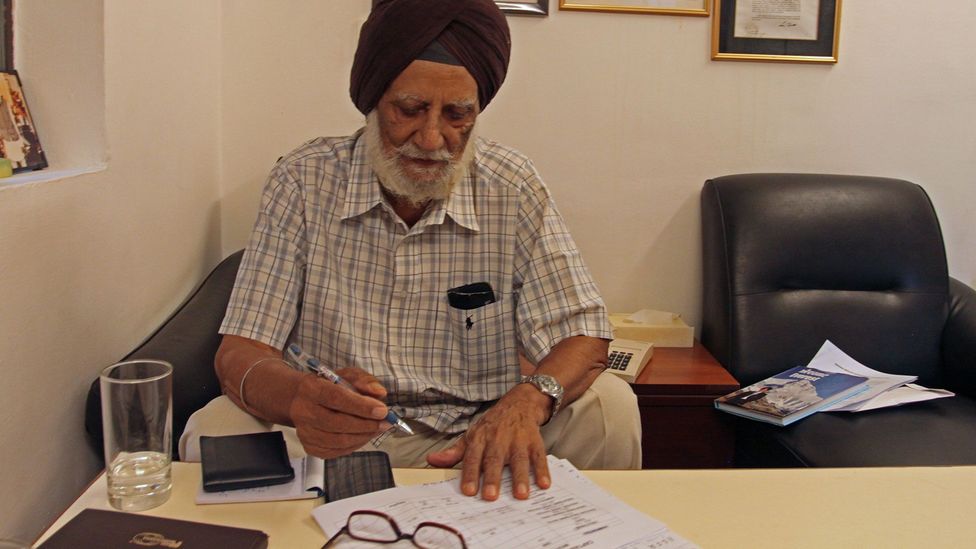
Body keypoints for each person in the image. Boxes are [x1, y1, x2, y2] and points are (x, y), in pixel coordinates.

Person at [180, 0, 641, 501]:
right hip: (332, 438)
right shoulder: (303, 179)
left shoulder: (512, 185)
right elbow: (241, 351)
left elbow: (583, 333)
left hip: (475, 436)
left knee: (610, 408)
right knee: (214, 429)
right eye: (410, 109)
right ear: (374, 99)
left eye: (457, 114)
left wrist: (526, 403)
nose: (432, 137)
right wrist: (301, 400)